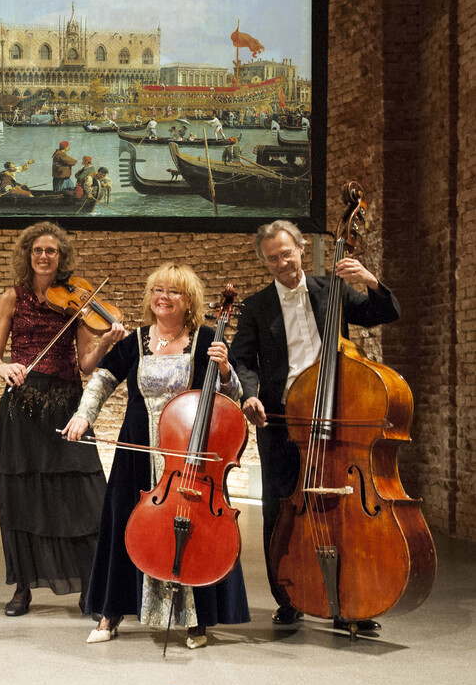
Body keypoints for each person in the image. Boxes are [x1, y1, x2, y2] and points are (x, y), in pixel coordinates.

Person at [62, 262, 251, 649]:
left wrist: (227, 371)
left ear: (189, 301)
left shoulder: (208, 339)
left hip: (191, 456)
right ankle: (111, 612)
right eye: (157, 290)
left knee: (195, 528)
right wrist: (83, 416)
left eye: (173, 292)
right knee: (122, 525)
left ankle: (197, 619)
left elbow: (231, 396)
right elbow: (101, 379)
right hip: (138, 451)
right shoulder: (135, 340)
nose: (163, 298)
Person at [228, 220, 400, 633]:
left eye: (287, 253)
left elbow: (386, 312)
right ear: (264, 262)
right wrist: (248, 394)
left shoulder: (333, 290)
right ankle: (289, 597)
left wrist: (370, 280)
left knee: (341, 509)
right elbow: (241, 360)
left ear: (302, 248)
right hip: (282, 419)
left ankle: (347, 602)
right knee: (281, 507)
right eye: (272, 258)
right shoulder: (255, 306)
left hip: (334, 415)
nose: (281, 262)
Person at [0, 222, 127, 617]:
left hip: (66, 403)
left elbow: (84, 364)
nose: (44, 257)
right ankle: (22, 588)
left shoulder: (78, 304)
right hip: (22, 406)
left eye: (51, 251)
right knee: (22, 498)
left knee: (84, 498)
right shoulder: (11, 298)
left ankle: (89, 585)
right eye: (37, 250)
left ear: (61, 257)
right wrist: (4, 369)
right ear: (28, 255)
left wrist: (106, 341)